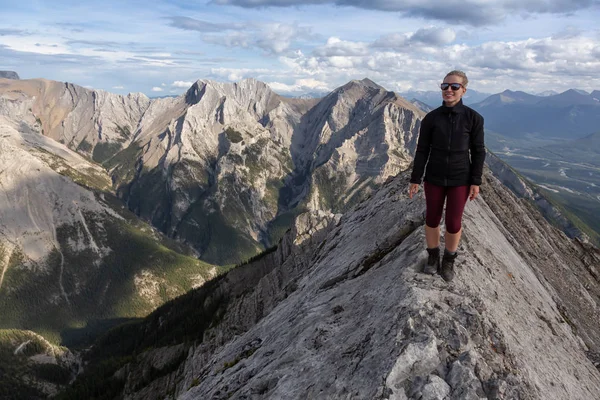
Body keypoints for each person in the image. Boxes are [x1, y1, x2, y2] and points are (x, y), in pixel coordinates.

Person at [408, 70, 486, 282]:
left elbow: (479, 151)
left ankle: (449, 260)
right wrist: (416, 178)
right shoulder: (431, 119)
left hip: (460, 178)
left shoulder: (474, 119)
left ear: (463, 90)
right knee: (432, 218)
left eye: (454, 87)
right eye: (445, 86)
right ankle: (434, 257)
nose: (448, 90)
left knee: (453, 222)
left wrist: (475, 182)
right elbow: (422, 149)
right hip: (434, 176)